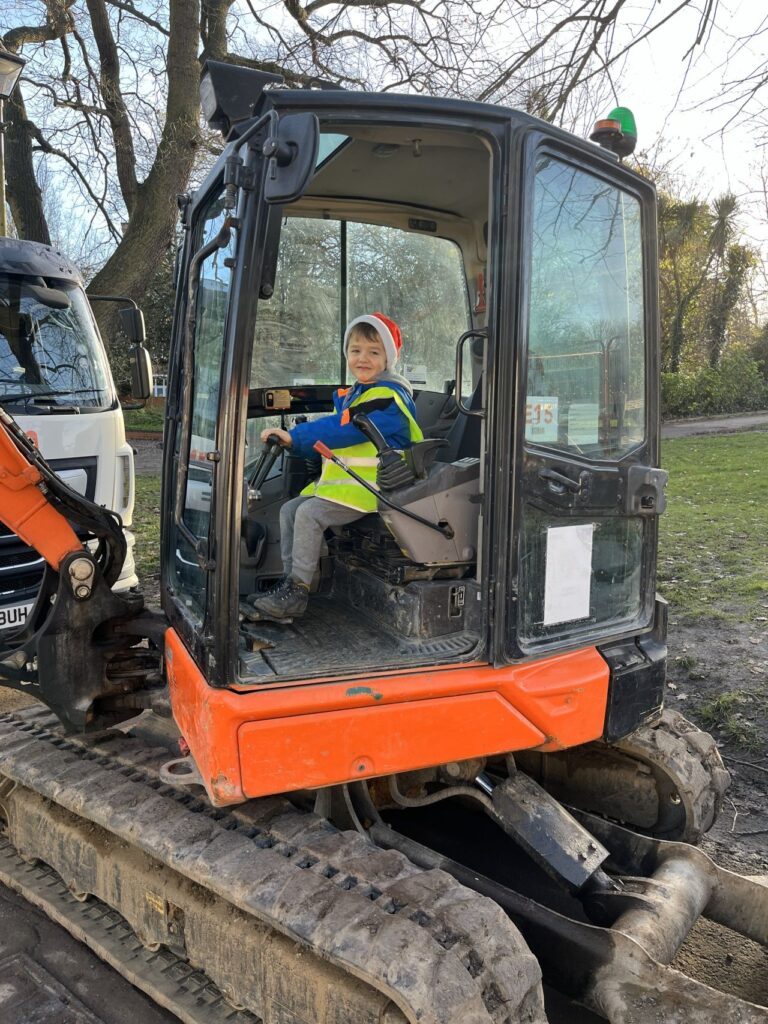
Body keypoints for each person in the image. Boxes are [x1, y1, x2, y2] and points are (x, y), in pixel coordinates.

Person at [248, 313, 422, 620]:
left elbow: (343, 429)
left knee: (308, 513)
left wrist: (295, 437)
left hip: (376, 491)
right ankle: (291, 584)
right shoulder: (359, 394)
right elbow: (337, 427)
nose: (363, 358)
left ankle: (298, 590)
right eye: (355, 351)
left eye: (373, 352)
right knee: (290, 510)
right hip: (348, 490)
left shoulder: (387, 399)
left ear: (388, 358)